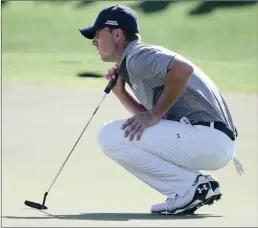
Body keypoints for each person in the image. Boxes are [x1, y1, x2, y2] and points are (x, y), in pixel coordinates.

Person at [79, 5, 244, 215]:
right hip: (210, 141)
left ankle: (188, 187)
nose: (94, 41)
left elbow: (183, 70)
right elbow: (149, 124)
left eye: (98, 34)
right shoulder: (135, 62)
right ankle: (194, 185)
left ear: (117, 33)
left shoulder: (139, 56)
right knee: (123, 133)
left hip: (207, 138)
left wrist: (154, 114)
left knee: (109, 135)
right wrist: (121, 93)